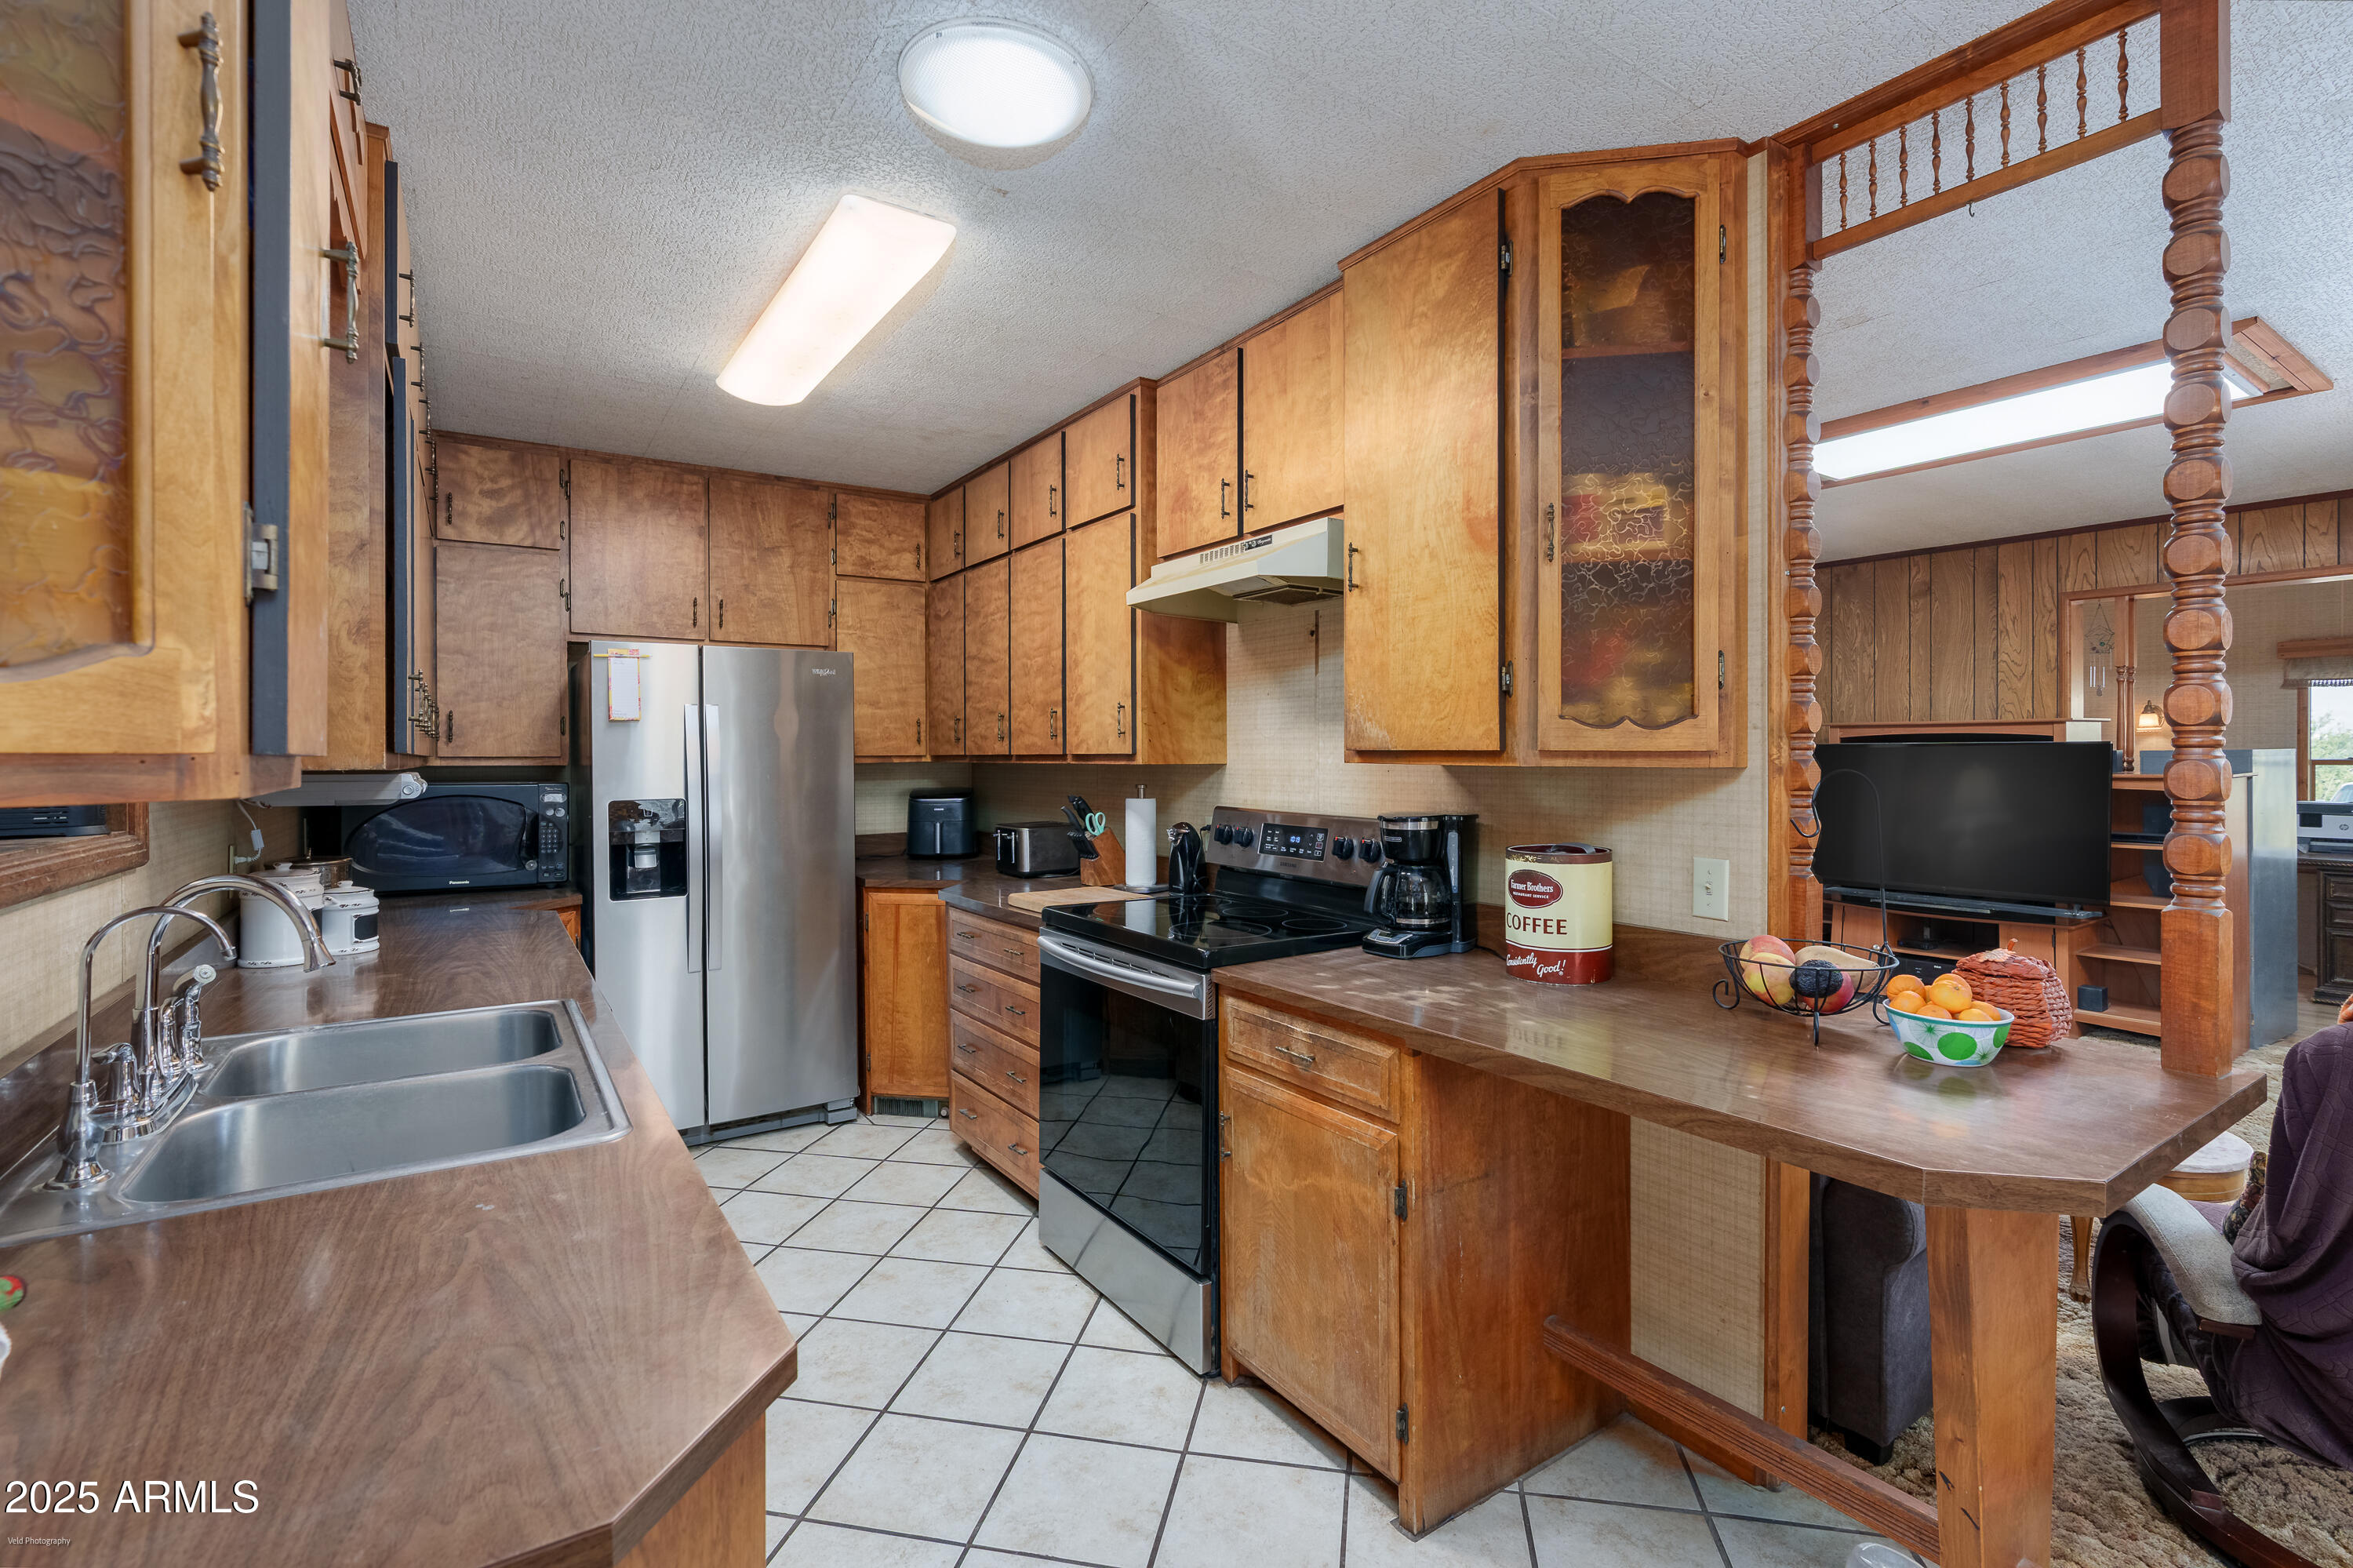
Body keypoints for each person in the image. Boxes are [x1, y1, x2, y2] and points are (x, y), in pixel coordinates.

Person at [2132, 1013, 2353, 1468]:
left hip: (2318, 1386)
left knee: (2136, 1214)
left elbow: (2280, 1247)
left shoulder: (2333, 1056)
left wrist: (2243, 1216)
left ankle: (2147, 1366)